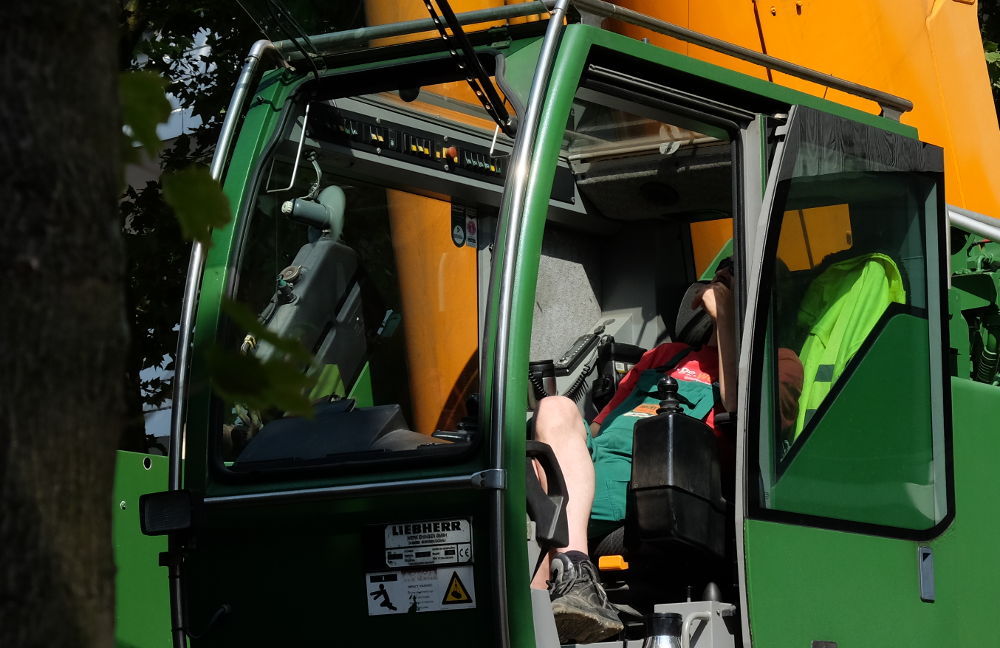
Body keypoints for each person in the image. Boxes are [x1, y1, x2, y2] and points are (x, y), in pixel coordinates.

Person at [529, 262, 740, 644]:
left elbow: (741, 407)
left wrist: (726, 317)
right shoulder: (663, 356)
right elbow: (598, 429)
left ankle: (560, 584)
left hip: (652, 489)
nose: (723, 273)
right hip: (589, 476)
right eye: (720, 270)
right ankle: (573, 574)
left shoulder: (773, 362)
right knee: (556, 409)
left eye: (735, 272)